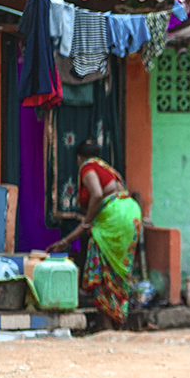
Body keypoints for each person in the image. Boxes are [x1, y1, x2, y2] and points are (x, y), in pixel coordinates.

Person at [47, 139, 142, 328]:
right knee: (117, 269)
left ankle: (107, 324)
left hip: (114, 219)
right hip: (131, 214)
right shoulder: (105, 167)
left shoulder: (88, 168)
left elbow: (97, 195)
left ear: (78, 158)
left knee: (101, 268)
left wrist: (86, 222)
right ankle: (116, 321)